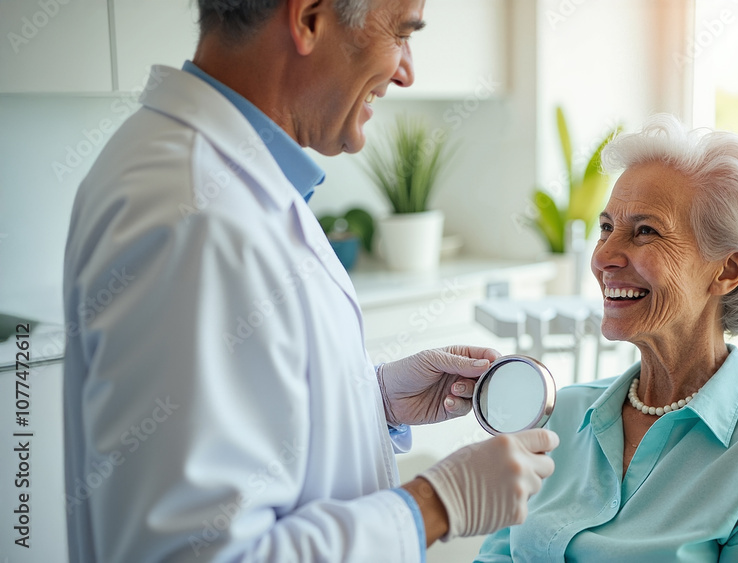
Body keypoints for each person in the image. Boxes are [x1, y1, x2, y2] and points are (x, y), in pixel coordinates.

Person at [61, 1, 558, 561]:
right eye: (401, 33)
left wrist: (371, 400)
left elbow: (244, 420)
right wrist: (437, 503)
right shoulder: (196, 216)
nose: (407, 71)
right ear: (310, 19)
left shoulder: (226, 183)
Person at [477, 114, 738, 562]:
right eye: (606, 227)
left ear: (728, 270)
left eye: (645, 231)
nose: (604, 257)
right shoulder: (561, 415)